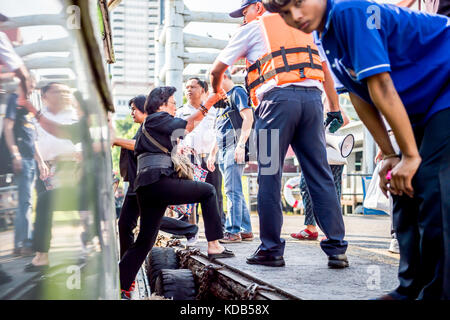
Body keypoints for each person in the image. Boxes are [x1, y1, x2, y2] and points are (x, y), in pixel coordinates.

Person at [263, 0, 449, 300]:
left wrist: (411, 156)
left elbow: (382, 85)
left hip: (445, 84)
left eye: (298, 3)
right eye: (285, 13)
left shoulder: (349, 11)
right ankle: (410, 287)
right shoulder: (322, 35)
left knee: (430, 182)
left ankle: (439, 292)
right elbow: (358, 94)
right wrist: (390, 154)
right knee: (400, 184)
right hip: (424, 101)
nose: (295, 16)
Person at [209, 0, 348, 268]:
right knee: (320, 174)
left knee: (269, 175)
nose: (242, 17)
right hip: (311, 102)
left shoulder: (254, 27)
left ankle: (271, 250)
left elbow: (216, 70)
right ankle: (337, 248)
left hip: (276, 104)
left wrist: (219, 94)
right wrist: (335, 107)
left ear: (259, 7)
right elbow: (326, 71)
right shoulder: (306, 25)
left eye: (245, 11)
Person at [117, 86, 233, 299]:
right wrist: (210, 102)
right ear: (161, 104)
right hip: (158, 183)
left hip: (148, 187)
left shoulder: (151, 125)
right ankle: (214, 244)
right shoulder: (156, 118)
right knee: (207, 191)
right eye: (172, 102)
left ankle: (121, 284)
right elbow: (188, 124)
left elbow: (187, 125)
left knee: (145, 240)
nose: (174, 107)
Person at [111, 95, 199, 263]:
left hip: (147, 182)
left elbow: (137, 145)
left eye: (134, 109)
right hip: (138, 183)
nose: (131, 113)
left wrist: (116, 140)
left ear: (144, 110)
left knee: (136, 222)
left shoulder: (151, 127)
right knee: (130, 223)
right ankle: (125, 264)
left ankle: (125, 265)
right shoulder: (143, 127)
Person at [206, 69, 254, 243]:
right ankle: (245, 230)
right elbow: (219, 131)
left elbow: (248, 118)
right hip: (224, 148)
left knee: (232, 190)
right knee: (235, 191)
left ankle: (233, 231)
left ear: (223, 76)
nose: (212, 87)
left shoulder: (238, 92)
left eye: (214, 82)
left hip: (234, 146)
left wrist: (241, 145)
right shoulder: (222, 101)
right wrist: (212, 154)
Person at [291, 105, 350, 241]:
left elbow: (345, 119)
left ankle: (330, 232)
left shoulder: (325, 97)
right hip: (321, 152)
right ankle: (313, 228)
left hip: (328, 151)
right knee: (309, 188)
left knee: (329, 192)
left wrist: (322, 130)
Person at [3, 88, 48, 256]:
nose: (32, 91)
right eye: (31, 86)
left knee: (28, 202)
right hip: (22, 160)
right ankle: (23, 243)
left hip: (30, 161)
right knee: (26, 202)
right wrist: (15, 155)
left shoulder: (28, 113)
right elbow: (7, 129)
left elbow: (33, 140)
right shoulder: (14, 103)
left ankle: (21, 243)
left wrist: (41, 161)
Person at [176, 78, 225, 228]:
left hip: (210, 158)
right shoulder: (180, 111)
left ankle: (218, 226)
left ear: (203, 90)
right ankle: (185, 226)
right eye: (187, 87)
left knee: (215, 193)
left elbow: (220, 133)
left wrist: (213, 153)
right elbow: (176, 135)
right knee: (186, 193)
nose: (189, 90)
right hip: (188, 159)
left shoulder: (214, 111)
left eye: (193, 87)